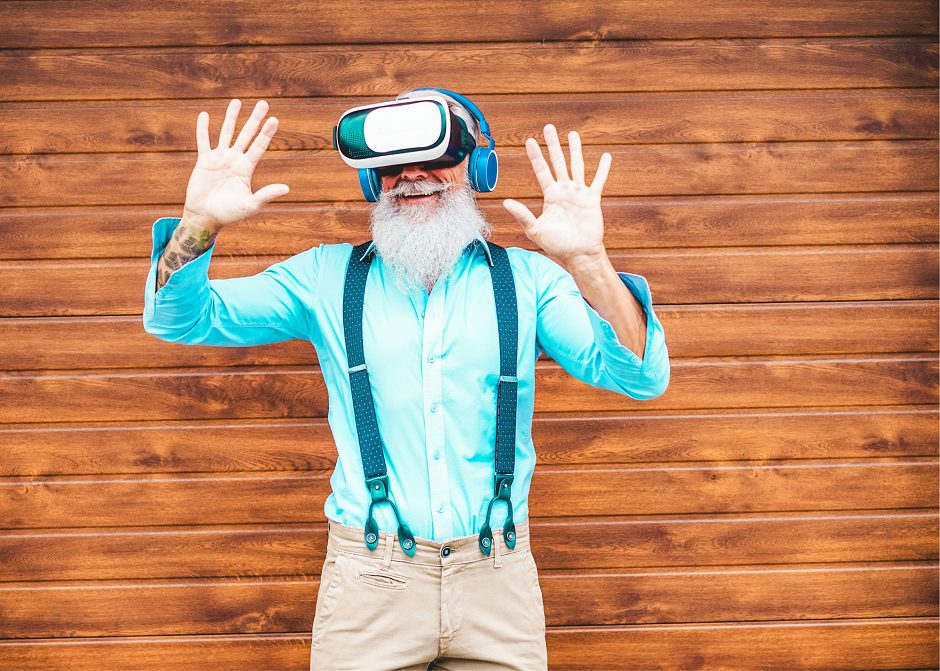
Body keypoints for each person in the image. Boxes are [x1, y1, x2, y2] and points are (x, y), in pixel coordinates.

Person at [143, 89, 670, 671]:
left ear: (478, 164)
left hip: (498, 578)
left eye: (438, 155)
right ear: (374, 179)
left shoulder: (529, 280)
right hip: (373, 581)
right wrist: (199, 223)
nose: (412, 175)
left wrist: (590, 261)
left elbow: (640, 377)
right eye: (391, 163)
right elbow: (179, 318)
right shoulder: (324, 276)